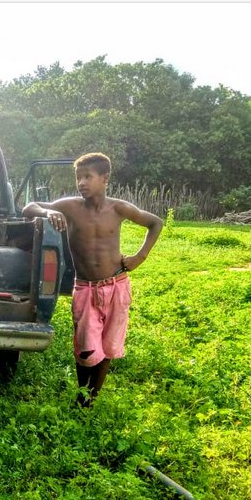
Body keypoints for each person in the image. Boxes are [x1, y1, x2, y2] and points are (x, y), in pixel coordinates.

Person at [22, 152, 163, 407]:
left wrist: (140, 257)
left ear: (104, 178)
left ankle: (91, 400)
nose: (82, 183)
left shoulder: (118, 208)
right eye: (79, 178)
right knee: (85, 348)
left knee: (108, 346)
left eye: (88, 177)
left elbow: (155, 223)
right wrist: (46, 213)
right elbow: (28, 207)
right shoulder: (70, 206)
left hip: (116, 285)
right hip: (86, 288)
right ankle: (81, 392)